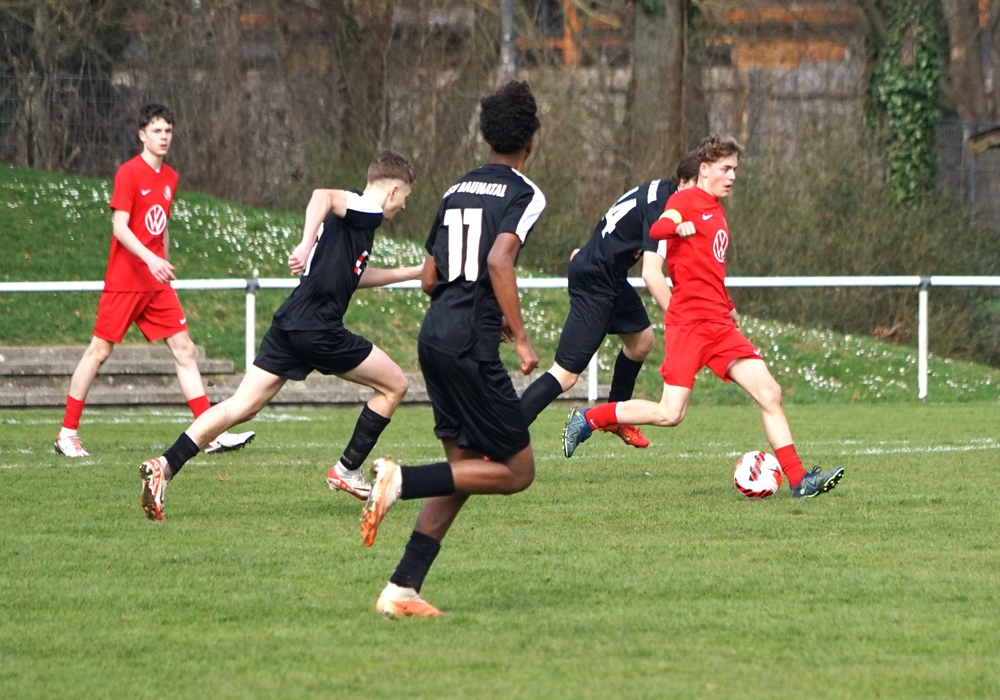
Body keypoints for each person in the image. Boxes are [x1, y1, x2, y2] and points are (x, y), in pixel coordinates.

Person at [137, 150, 421, 520]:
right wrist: (304, 243)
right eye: (406, 198)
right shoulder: (366, 209)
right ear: (394, 190)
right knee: (395, 385)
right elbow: (321, 195)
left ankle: (165, 465)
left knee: (241, 407)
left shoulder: (356, 217)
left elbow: (353, 276)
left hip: (292, 320)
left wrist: (412, 272)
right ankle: (348, 469)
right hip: (318, 327)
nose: (404, 207)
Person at [562, 135, 844, 499]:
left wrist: (728, 304)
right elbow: (658, 228)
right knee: (670, 414)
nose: (732, 176)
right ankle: (588, 419)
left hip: (719, 325)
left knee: (770, 393)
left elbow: (709, 269)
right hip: (689, 326)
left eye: (735, 169)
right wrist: (675, 226)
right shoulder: (684, 201)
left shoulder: (717, 210)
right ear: (705, 169)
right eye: (725, 169)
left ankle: (799, 480)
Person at [358, 80, 546, 617]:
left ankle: (401, 589)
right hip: (469, 344)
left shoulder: (456, 189)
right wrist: (521, 336)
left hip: (435, 334)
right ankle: (401, 480)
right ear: (531, 140)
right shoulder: (525, 193)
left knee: (463, 471)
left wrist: (487, 311)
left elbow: (430, 278)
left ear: (486, 135)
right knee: (516, 471)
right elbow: (498, 260)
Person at [54, 103, 254, 458]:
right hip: (125, 280)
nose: (164, 137)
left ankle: (208, 433)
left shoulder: (171, 177)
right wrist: (150, 259)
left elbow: (160, 227)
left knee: (185, 350)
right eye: (157, 131)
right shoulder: (129, 173)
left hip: (156, 284)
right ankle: (67, 433)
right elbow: (120, 227)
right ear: (142, 135)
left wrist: (162, 261)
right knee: (99, 351)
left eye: (168, 131)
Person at [518, 164, 693, 441]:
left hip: (608, 276)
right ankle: (502, 436)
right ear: (683, 181)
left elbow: (617, 223)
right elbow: (651, 274)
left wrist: (592, 250)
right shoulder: (664, 206)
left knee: (642, 342)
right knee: (565, 375)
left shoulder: (660, 190)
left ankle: (614, 416)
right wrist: (682, 321)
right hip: (595, 282)